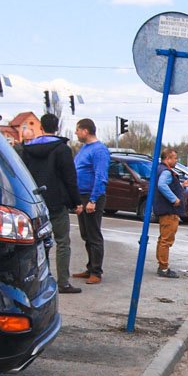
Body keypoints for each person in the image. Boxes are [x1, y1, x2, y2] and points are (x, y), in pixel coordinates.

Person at [18, 113, 83, 294]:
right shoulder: (62, 149)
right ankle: (63, 282)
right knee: (62, 242)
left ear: (41, 127)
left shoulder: (26, 149)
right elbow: (70, 178)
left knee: (39, 243)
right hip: (57, 202)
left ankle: (42, 278)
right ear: (57, 127)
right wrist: (76, 201)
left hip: (35, 202)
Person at [72, 118, 109, 284]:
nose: (76, 133)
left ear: (85, 131)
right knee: (85, 234)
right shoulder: (84, 148)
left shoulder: (99, 150)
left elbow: (101, 176)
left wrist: (93, 199)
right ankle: (90, 267)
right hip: (82, 196)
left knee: (94, 234)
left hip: (92, 197)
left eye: (78, 130)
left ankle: (96, 271)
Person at [153, 147, 187, 278]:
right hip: (169, 210)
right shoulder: (166, 172)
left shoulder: (161, 169)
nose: (176, 161)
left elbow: (166, 185)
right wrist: (174, 199)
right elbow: (162, 185)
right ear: (168, 158)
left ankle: (162, 265)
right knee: (166, 240)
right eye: (175, 158)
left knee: (162, 239)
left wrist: (182, 186)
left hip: (164, 209)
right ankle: (163, 267)